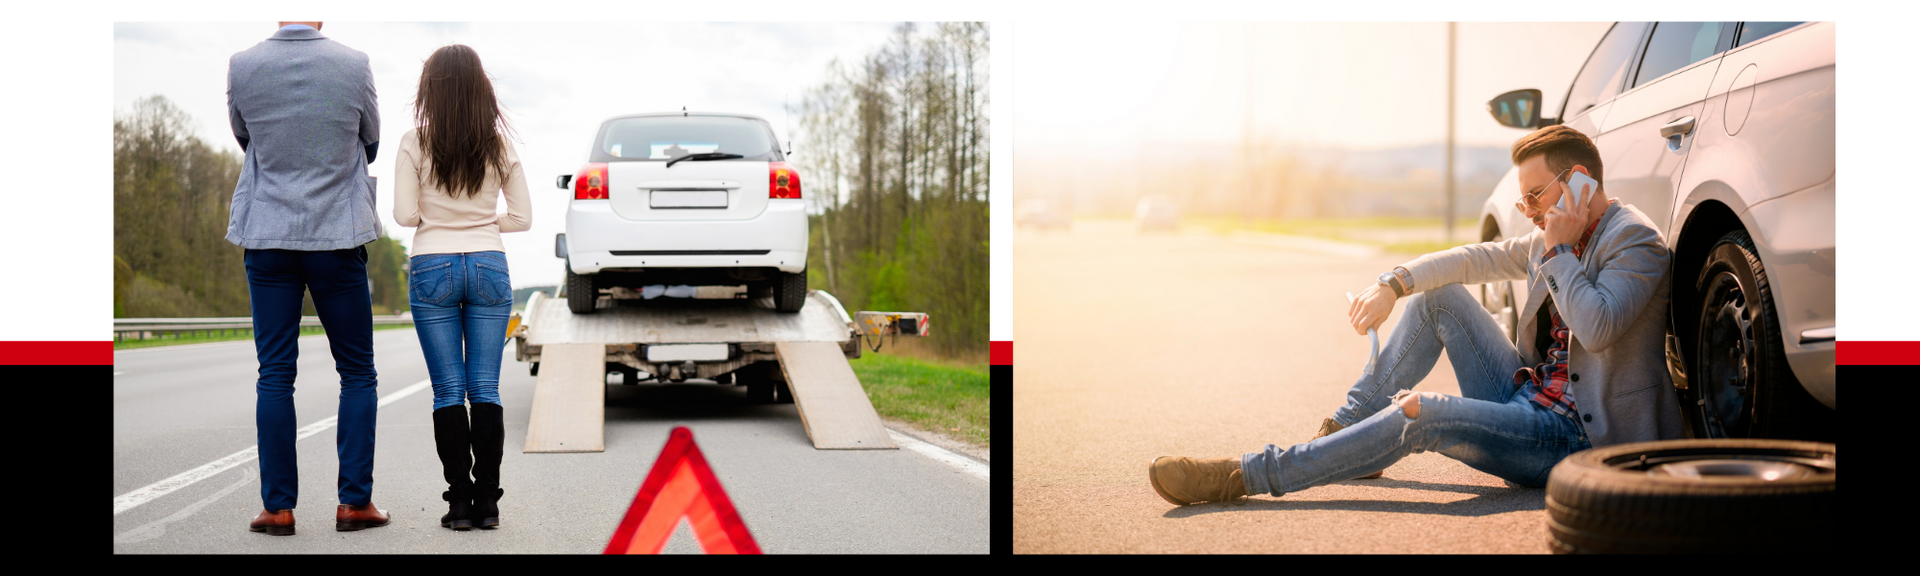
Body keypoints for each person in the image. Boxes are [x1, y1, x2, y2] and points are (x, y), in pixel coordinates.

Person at [1148, 125, 1685, 506]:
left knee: (1420, 413)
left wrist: (1559, 251)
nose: (1530, 213)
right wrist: (1393, 283)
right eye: (1523, 202)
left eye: (1534, 197)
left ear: (1580, 180)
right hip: (1528, 399)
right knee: (1437, 297)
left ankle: (1246, 474)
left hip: (1575, 437)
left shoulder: (1634, 241)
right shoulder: (1551, 237)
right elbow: (1471, 259)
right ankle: (1348, 426)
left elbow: (1596, 328)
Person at [229, 21, 389, 536]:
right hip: (336, 234)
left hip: (268, 233)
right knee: (357, 372)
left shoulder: (242, 65)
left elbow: (246, 138)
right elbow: (371, 140)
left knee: (275, 374)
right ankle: (354, 503)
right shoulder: (354, 64)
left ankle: (277, 509)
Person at [394, 44, 532, 531]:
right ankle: (488, 503)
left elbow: (404, 215)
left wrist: (441, 221)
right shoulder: (498, 145)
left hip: (432, 264)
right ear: (481, 89)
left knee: (448, 390)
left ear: (429, 90)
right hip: (489, 263)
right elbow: (522, 218)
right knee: (486, 388)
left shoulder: (414, 142)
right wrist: (482, 223)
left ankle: (459, 504)